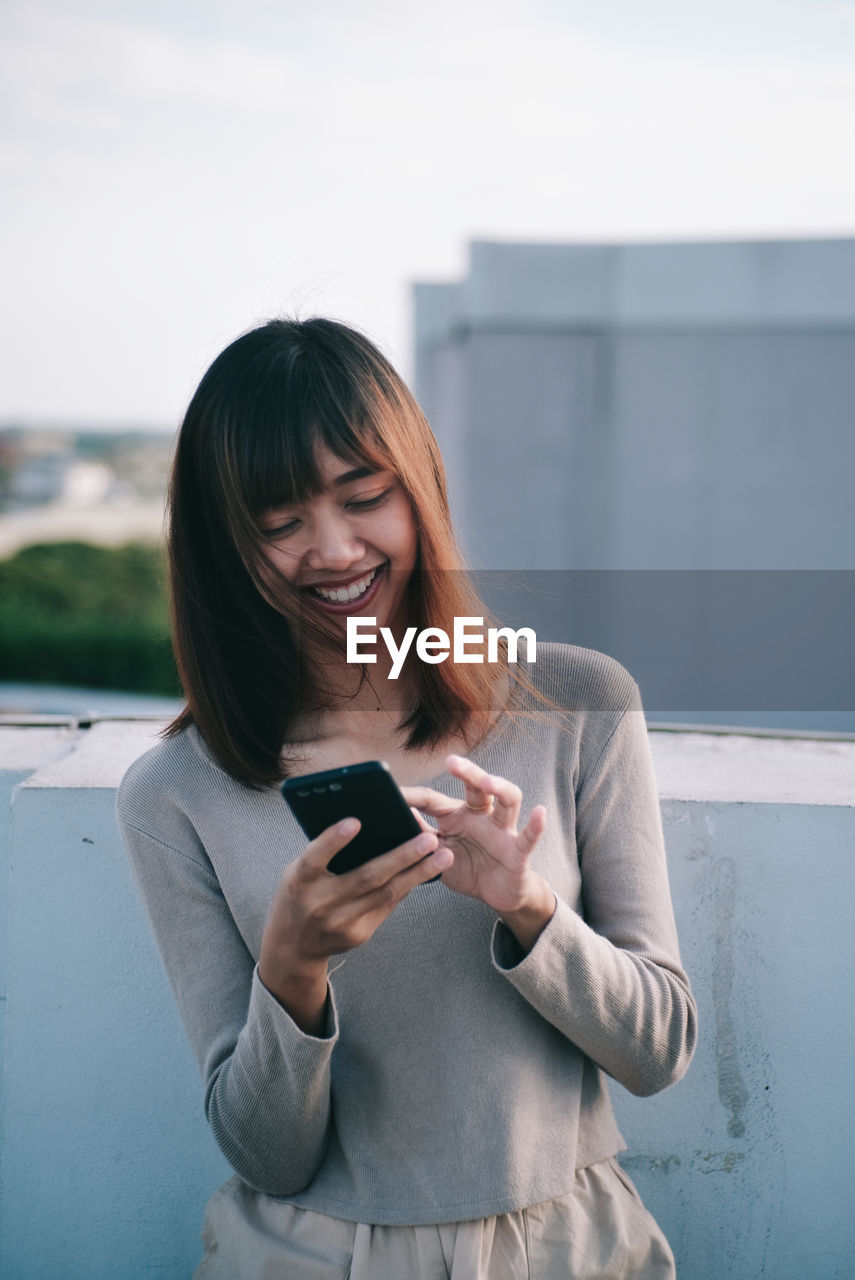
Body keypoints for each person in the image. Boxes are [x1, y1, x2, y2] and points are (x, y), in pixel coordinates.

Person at [117, 317, 697, 1279]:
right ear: (228, 546)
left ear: (418, 485)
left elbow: (656, 1052)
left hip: (562, 1244)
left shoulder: (581, 701)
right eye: (278, 523)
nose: (333, 549)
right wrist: (294, 970)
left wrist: (528, 907)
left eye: (364, 496)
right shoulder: (177, 792)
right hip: (308, 1255)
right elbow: (264, 1153)